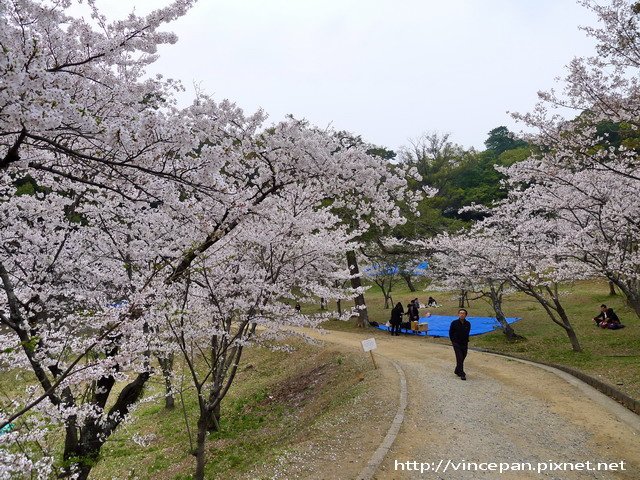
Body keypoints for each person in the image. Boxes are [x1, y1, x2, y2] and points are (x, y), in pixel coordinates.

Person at [449, 309, 471, 380]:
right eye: (460, 313)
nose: (462, 314)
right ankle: (462, 373)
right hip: (456, 343)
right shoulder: (454, 323)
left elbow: (467, 333)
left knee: (463, 356)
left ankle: (457, 370)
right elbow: (450, 332)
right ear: (458, 314)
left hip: (464, 343)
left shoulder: (468, 324)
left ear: (465, 315)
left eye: (463, 313)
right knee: (459, 357)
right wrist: (453, 340)